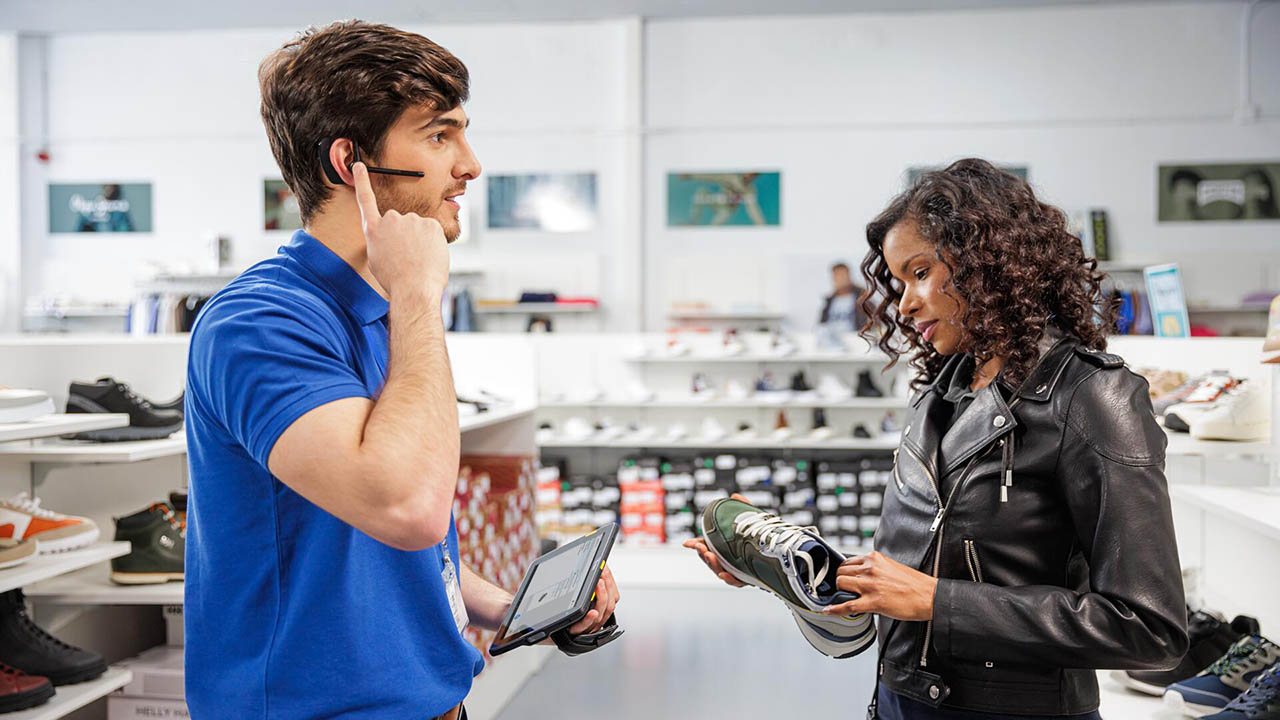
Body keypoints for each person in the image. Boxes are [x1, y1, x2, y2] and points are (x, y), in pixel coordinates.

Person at [183, 21, 619, 720]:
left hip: (435, 701)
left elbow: (397, 547)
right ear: (348, 161)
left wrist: (511, 606)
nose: (471, 165)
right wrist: (418, 295)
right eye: (440, 136)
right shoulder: (260, 323)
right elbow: (407, 508)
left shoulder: (386, 311)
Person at [689, 159, 1187, 719]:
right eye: (899, 282)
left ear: (988, 263)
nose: (903, 304)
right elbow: (930, 565)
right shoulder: (941, 393)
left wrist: (937, 601)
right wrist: (800, 578)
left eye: (920, 272)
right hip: (902, 700)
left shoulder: (1093, 396)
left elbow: (1149, 627)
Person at [818, 261, 868, 330]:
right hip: (832, 338)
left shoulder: (862, 298)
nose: (840, 279)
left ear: (849, 276)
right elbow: (821, 325)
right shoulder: (829, 301)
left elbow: (872, 321)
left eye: (842, 275)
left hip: (854, 338)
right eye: (837, 276)